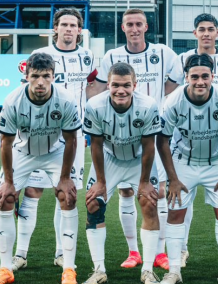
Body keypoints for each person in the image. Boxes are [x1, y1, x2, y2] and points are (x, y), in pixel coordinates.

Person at [88, 8, 178, 270]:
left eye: (139, 24)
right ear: (123, 27)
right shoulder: (111, 56)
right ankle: (133, 252)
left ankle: (159, 253)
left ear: (146, 27)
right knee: (126, 192)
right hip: (117, 134)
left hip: (152, 133)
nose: (135, 28)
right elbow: (101, 86)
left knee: (156, 193)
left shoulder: (164, 52)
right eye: (130, 24)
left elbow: (174, 84)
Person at [10, 8, 95, 272]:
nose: (69, 29)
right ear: (55, 28)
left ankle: (61, 253)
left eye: (74, 25)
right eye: (64, 25)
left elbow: (94, 88)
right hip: (41, 133)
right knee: (32, 191)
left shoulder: (89, 58)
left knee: (66, 193)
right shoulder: (41, 57)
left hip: (73, 136)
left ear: (80, 30)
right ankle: (20, 254)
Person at [0, 52, 81, 284]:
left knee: (67, 197)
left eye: (46, 76)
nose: (41, 82)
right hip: (23, 153)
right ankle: (5, 269)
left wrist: (65, 177)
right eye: (35, 76)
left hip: (54, 152)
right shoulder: (13, 101)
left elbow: (71, 140)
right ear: (26, 75)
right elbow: (6, 143)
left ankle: (68, 270)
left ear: (54, 76)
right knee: (5, 199)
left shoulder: (66, 99)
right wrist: (9, 182)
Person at [165, 13, 218, 267]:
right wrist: (172, 178)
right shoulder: (174, 99)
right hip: (183, 159)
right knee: (176, 211)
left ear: (212, 76)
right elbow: (162, 140)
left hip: (216, 158)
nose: (200, 81)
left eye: (205, 76)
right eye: (194, 77)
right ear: (186, 76)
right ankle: (174, 268)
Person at [82, 62, 163, 284]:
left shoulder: (148, 105)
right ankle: (99, 270)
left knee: (149, 202)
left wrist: (145, 182)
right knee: (93, 204)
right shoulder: (94, 105)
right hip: (109, 158)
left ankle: (147, 270)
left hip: (139, 160)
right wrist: (100, 181)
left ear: (134, 85)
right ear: (108, 84)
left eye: (126, 85)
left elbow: (149, 145)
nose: (121, 90)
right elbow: (95, 145)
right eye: (115, 85)